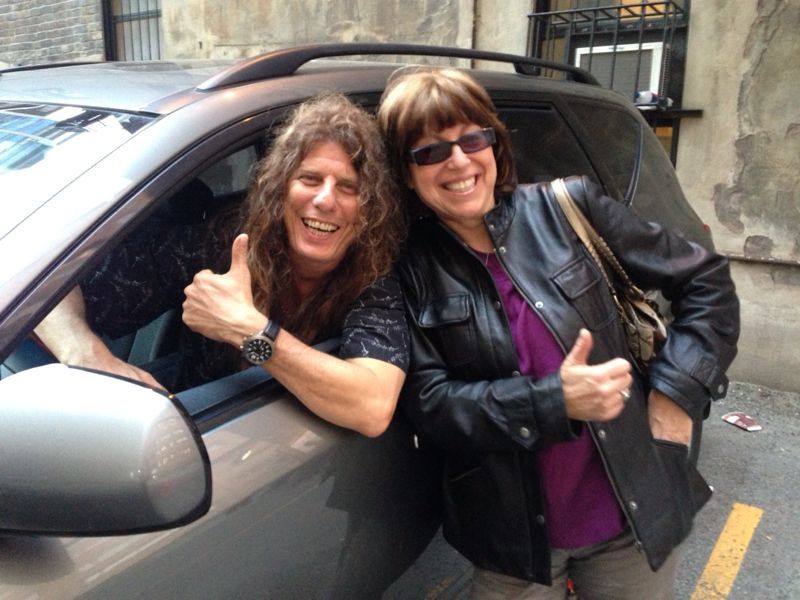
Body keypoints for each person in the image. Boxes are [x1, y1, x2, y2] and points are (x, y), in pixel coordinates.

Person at [378, 68, 740, 598]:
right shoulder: (407, 269)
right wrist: (554, 401)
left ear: (495, 145)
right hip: (514, 547)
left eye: (471, 139)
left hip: (630, 521)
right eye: (430, 151)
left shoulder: (567, 209)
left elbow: (706, 279)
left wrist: (676, 393)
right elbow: (431, 404)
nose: (457, 161)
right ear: (407, 174)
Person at [35, 93, 408, 437]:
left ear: (370, 207)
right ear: (281, 189)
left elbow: (372, 407)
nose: (325, 200)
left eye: (348, 187)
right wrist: (86, 352)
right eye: (309, 179)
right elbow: (46, 285)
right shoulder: (226, 242)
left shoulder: (372, 274)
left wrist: (248, 329)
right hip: (192, 444)